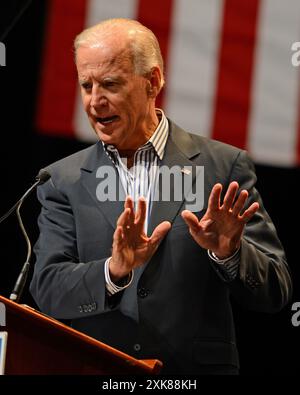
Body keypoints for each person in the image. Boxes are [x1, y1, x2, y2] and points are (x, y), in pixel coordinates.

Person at [30, 18, 292, 375]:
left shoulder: (222, 167)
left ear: (152, 82)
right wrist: (114, 271)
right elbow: (48, 290)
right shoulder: (61, 180)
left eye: (109, 84)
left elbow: (275, 290)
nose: (94, 101)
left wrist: (228, 253)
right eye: (86, 85)